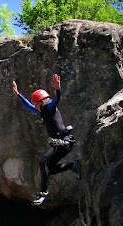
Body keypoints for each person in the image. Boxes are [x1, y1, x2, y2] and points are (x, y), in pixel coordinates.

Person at [12, 74, 80, 206]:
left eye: (35, 104)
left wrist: (58, 90)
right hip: (62, 143)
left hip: (64, 141)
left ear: (41, 101)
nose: (35, 107)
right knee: (48, 168)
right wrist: (18, 95)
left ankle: (44, 193)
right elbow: (28, 106)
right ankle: (73, 166)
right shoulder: (43, 111)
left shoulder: (49, 106)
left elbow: (55, 100)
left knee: (43, 162)